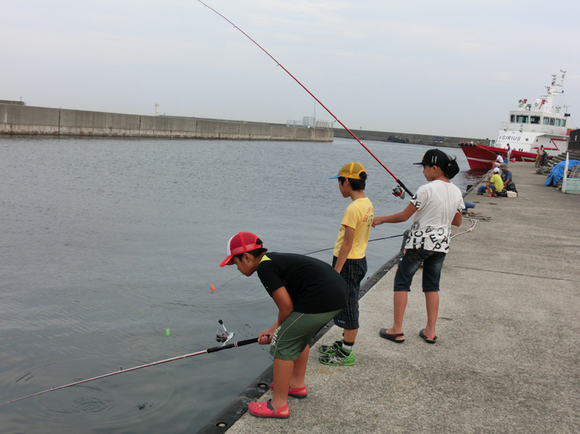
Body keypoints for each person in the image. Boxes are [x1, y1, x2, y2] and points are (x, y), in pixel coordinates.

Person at [220, 232, 347, 419]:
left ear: (246, 257)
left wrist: (276, 332)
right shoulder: (273, 260)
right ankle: (296, 385)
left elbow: (286, 307)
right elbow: (291, 307)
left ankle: (278, 405)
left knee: (282, 342)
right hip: (335, 295)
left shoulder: (265, 269)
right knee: (298, 336)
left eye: (236, 263)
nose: (237, 268)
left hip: (322, 299)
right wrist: (273, 328)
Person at [372, 149, 464, 344]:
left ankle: (396, 329)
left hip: (419, 244)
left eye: (424, 167)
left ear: (435, 168)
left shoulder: (426, 189)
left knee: (401, 282)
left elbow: (404, 216)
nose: (423, 171)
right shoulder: (456, 191)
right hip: (441, 246)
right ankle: (430, 331)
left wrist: (381, 219)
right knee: (432, 286)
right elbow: (457, 222)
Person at [318, 162, 374, 366]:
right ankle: (343, 344)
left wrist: (336, 272)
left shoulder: (352, 208)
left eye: (339, 182)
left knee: (349, 306)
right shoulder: (367, 203)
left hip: (348, 262)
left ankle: (346, 354)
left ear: (347, 182)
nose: (339, 186)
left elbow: (347, 243)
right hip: (360, 260)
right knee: (349, 302)